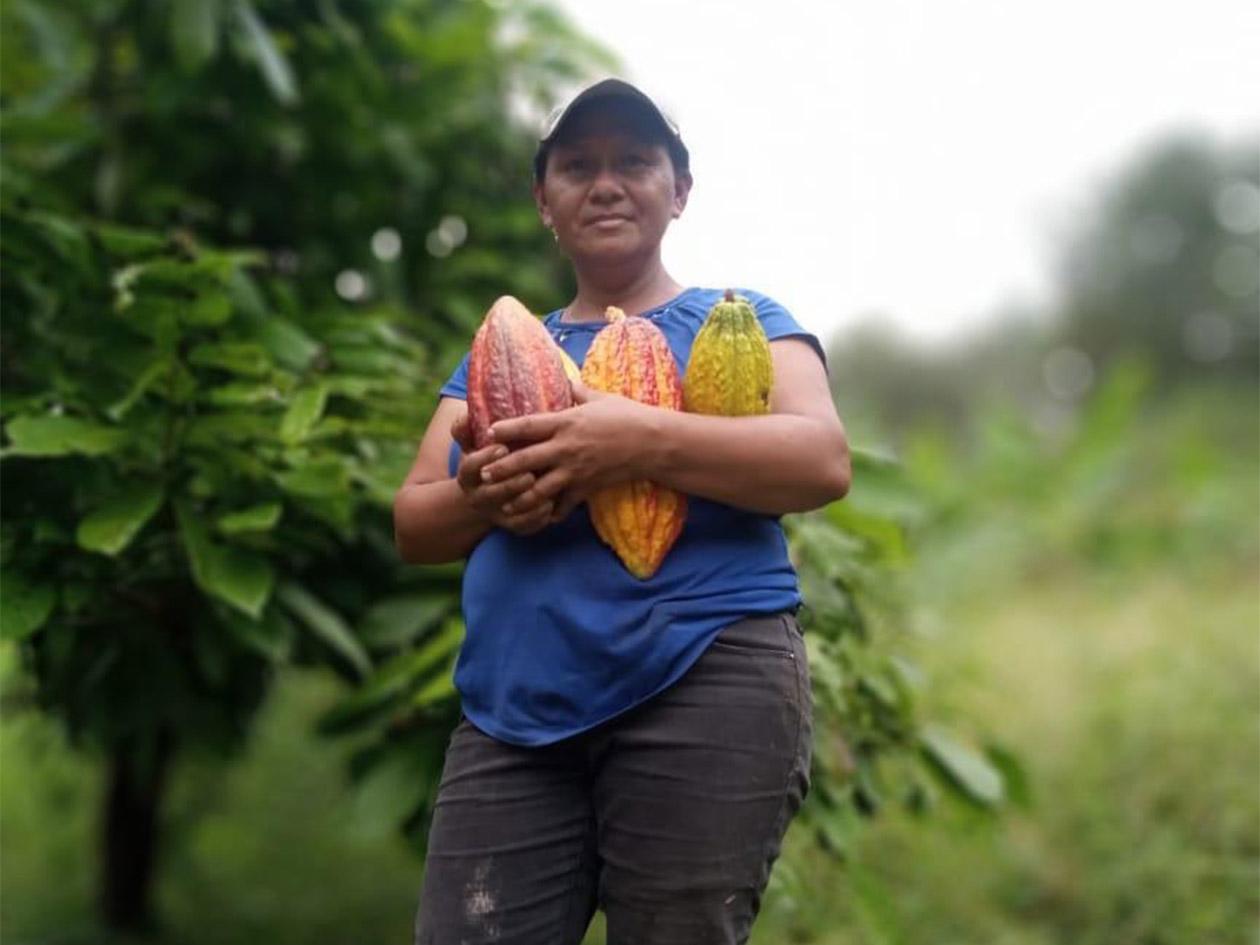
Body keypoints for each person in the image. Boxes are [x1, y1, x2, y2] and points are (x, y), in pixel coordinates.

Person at [394, 77, 850, 945]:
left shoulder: (740, 319)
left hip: (706, 682)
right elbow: (415, 522)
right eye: (577, 165)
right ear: (543, 200)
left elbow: (821, 460)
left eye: (635, 161)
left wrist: (633, 438)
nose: (605, 182)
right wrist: (478, 497)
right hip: (512, 712)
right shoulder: (504, 345)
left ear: (679, 191)